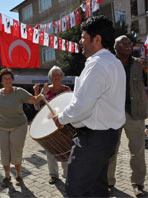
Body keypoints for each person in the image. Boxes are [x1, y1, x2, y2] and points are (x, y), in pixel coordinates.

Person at [53, 15, 126, 197]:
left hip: (93, 140)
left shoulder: (97, 65)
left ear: (97, 39)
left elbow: (82, 106)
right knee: (97, 188)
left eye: (84, 38)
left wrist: (61, 118)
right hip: (108, 137)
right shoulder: (115, 63)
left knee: (77, 190)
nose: (80, 42)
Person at [107, 35, 147, 197]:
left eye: (130, 43)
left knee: (137, 150)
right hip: (113, 113)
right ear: (116, 48)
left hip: (135, 112)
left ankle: (138, 183)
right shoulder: (109, 65)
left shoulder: (140, 64)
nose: (129, 45)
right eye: (124, 43)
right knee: (110, 150)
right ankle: (108, 182)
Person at [33, 65, 71, 185]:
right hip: (48, 125)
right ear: (50, 77)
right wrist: (37, 92)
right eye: (54, 75)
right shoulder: (46, 90)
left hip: (64, 123)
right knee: (50, 151)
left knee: (65, 148)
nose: (56, 77)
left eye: (59, 75)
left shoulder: (66, 90)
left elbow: (71, 105)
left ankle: (67, 174)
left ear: (62, 76)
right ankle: (53, 175)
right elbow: (37, 107)